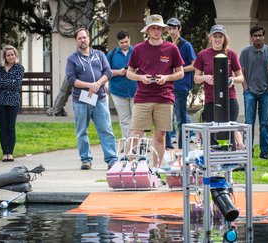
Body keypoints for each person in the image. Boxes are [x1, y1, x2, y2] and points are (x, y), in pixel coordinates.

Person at [126, 14, 184, 172]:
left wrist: (166, 77)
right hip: (143, 97)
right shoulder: (138, 49)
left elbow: (180, 73)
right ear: (148, 30)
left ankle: (157, 170)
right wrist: (140, 77)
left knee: (160, 136)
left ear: (163, 30)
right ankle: (128, 166)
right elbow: (129, 73)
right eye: (153, 28)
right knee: (135, 133)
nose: (157, 31)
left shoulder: (171, 48)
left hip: (164, 97)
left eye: (159, 28)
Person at [66, 27, 117, 170]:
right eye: (80, 38)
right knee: (82, 131)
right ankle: (86, 160)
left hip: (99, 99)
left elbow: (108, 72)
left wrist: (98, 84)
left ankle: (112, 160)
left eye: (85, 37)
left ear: (89, 38)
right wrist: (89, 85)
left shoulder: (100, 55)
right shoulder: (72, 59)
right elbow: (71, 79)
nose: (83, 40)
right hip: (81, 100)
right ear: (76, 41)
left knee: (106, 129)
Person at [193, 24, 244, 148]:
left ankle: (231, 162)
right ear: (210, 38)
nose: (217, 39)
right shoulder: (203, 55)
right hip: (211, 100)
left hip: (229, 99)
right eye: (215, 36)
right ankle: (214, 164)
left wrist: (233, 79)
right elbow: (196, 78)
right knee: (213, 133)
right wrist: (204, 77)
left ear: (224, 38)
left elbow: (241, 77)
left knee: (230, 132)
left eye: (220, 36)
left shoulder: (231, 54)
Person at [239, 25, 268, 159]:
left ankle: (265, 151)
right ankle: (247, 150)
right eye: (255, 35)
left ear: (263, 36)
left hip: (265, 93)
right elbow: (241, 73)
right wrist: (245, 88)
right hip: (250, 92)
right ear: (252, 37)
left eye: (260, 35)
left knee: (264, 122)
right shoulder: (245, 52)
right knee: (249, 122)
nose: (258, 38)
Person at [165, 17, 196, 149]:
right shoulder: (167, 44)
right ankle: (169, 142)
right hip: (167, 84)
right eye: (170, 29)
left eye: (174, 28)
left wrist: (179, 69)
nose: (172, 31)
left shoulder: (186, 45)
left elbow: (194, 65)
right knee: (167, 115)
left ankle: (183, 143)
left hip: (181, 84)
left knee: (181, 116)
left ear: (179, 29)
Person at [0, 45, 24, 162]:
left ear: (15, 55)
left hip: (13, 101)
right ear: (4, 57)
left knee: (11, 127)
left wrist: (4, 83)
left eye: (12, 54)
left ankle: (10, 153)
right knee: (3, 127)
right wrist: (9, 82)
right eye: (8, 55)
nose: (11, 57)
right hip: (0, 101)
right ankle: (4, 153)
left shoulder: (19, 68)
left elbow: (16, 84)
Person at [107, 29, 136, 139]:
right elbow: (106, 72)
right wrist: (119, 72)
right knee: (124, 120)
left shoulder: (136, 51)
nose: (124, 44)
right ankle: (127, 144)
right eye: (121, 42)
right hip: (117, 92)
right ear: (118, 42)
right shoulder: (111, 54)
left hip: (136, 90)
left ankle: (139, 145)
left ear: (129, 39)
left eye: (126, 41)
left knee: (137, 119)